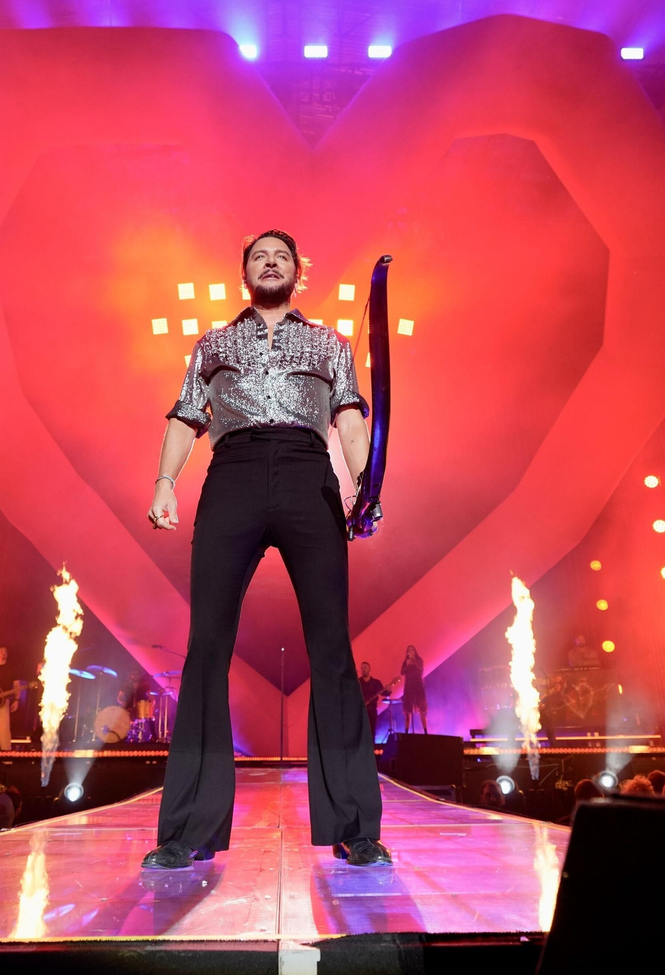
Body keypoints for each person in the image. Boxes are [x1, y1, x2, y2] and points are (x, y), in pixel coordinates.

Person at [142, 230, 389, 870]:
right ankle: (188, 830)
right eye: (260, 256)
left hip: (309, 474)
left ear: (297, 272)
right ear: (245, 273)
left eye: (281, 256)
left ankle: (355, 828)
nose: (271, 262)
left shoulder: (329, 344)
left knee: (332, 648)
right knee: (206, 647)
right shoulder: (214, 344)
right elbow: (184, 416)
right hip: (233, 473)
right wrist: (165, 481)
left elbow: (350, 419)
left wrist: (367, 485)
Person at [399, 646, 428, 734]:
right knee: (407, 710)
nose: (410, 651)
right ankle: (406, 732)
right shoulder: (406, 661)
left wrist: (413, 661)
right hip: (408, 687)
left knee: (422, 709)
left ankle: (425, 731)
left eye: (412, 650)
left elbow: (420, 668)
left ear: (415, 651)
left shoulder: (419, 660)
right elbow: (402, 672)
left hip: (418, 687)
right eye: (408, 650)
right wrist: (407, 665)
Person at [357, 662, 387, 740]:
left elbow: (385, 693)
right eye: (362, 668)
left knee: (371, 731)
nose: (363, 670)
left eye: (365, 668)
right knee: (360, 732)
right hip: (360, 711)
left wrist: (389, 689)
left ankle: (372, 746)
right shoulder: (357, 682)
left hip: (372, 711)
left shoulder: (376, 683)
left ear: (369, 669)